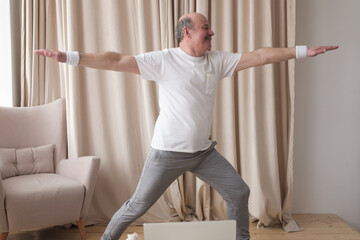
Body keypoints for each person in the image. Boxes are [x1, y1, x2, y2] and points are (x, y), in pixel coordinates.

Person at [35, 12, 338, 240]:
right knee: (136, 206)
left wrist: (301, 51)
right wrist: (70, 57)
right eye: (206, 28)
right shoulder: (165, 60)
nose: (212, 32)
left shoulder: (216, 61)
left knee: (239, 192)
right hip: (166, 153)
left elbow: (259, 56)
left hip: (203, 153)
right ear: (187, 32)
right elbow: (116, 61)